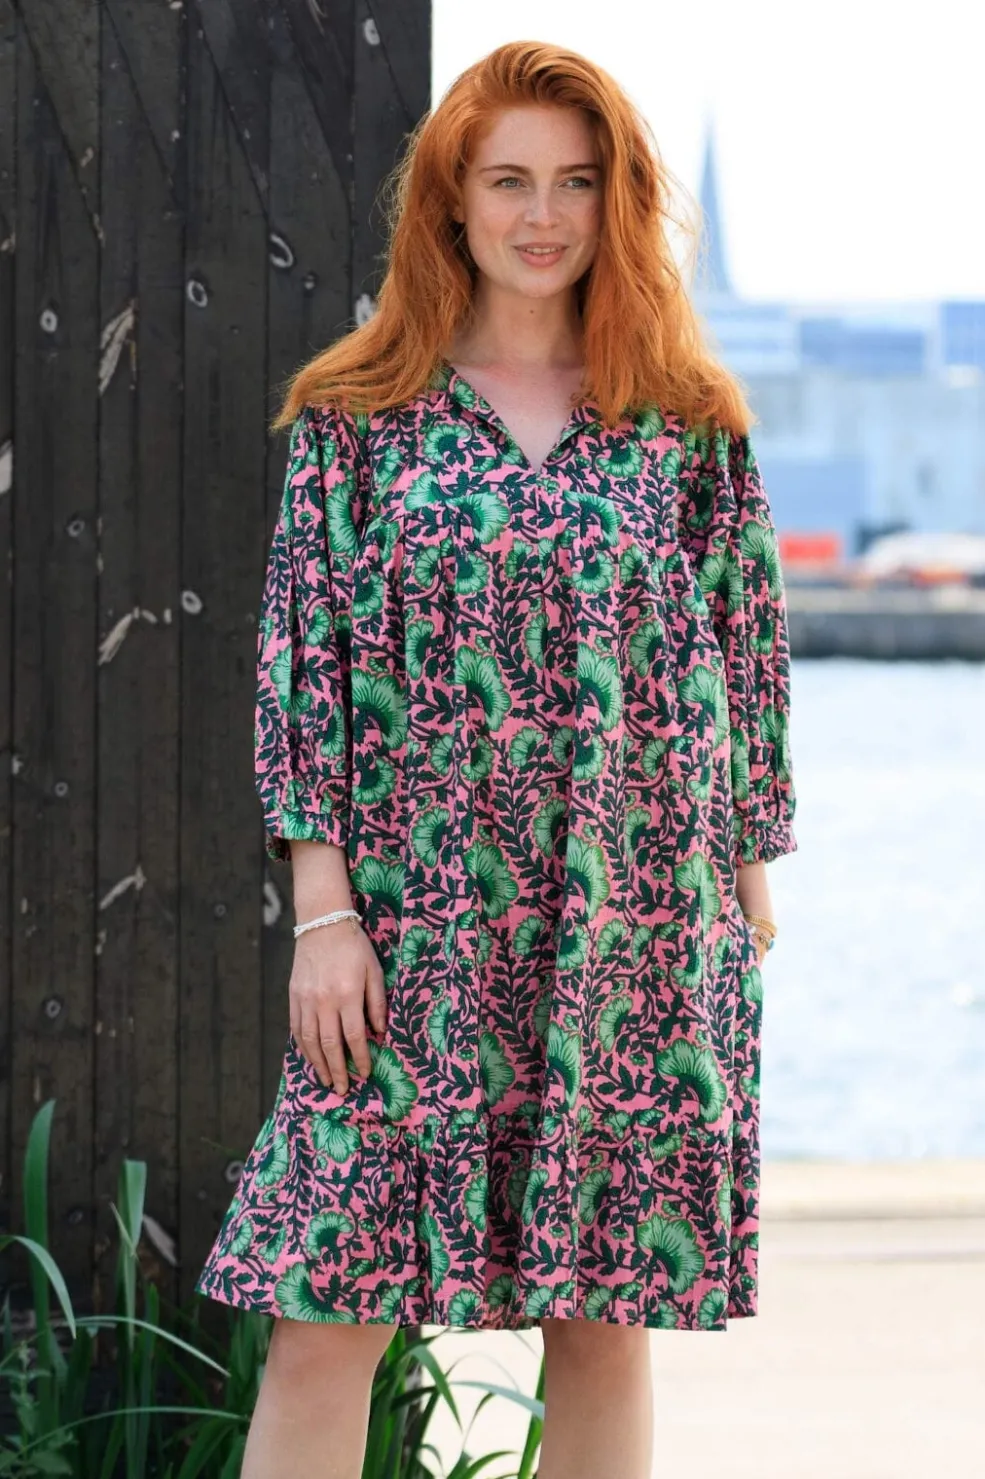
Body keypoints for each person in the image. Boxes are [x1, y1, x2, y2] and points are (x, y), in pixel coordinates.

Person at [196, 38, 797, 1479]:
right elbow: (304, 670)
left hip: (633, 920)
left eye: (576, 182)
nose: (543, 214)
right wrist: (324, 912)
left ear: (616, 200)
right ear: (451, 202)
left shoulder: (685, 423)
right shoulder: (358, 419)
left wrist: (744, 888)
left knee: (603, 1321)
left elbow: (748, 653)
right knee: (324, 1316)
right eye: (510, 180)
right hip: (414, 926)